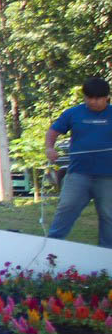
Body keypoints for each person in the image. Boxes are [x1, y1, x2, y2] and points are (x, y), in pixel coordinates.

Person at [46, 76, 112, 248]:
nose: (93, 102)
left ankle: (107, 254)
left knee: (108, 214)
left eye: (97, 98)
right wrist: (50, 148)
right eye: (89, 98)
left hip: (108, 176)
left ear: (107, 97)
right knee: (66, 207)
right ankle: (52, 245)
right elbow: (53, 131)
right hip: (78, 173)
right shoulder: (73, 113)